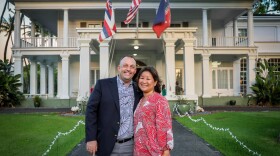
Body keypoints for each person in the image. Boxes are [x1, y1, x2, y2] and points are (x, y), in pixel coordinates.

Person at [85, 56, 143, 156]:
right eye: (125, 65)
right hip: (105, 144)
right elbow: (91, 111)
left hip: (130, 146)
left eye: (132, 67)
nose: (128, 69)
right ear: (119, 68)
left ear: (135, 71)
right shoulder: (102, 85)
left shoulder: (138, 89)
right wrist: (91, 138)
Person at [134, 67, 174, 156]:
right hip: (139, 149)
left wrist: (165, 149)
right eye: (142, 78)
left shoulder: (160, 100)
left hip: (154, 151)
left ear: (155, 82)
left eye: (148, 79)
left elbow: (164, 126)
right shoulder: (141, 100)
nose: (144, 81)